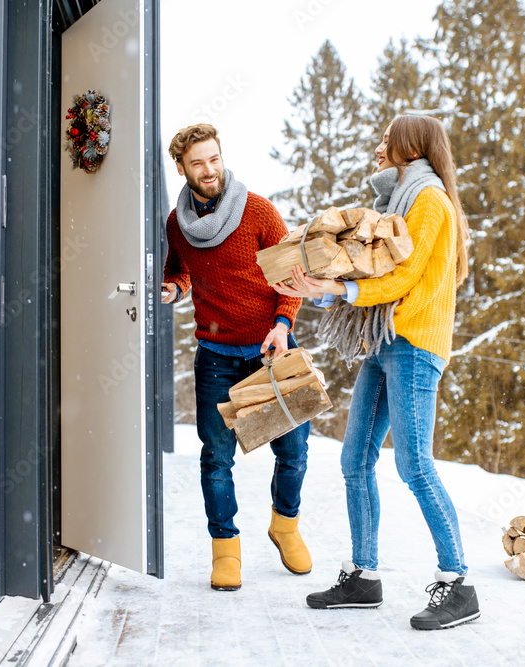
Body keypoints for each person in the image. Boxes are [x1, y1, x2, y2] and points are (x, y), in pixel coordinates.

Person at [274, 115, 480, 629]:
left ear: (411, 146)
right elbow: (374, 267)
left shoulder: (430, 201)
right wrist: (321, 286)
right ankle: (364, 576)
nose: (378, 147)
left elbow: (405, 274)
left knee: (414, 465)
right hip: (385, 341)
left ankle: (459, 584)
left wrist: (338, 291)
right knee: (355, 460)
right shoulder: (398, 201)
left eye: (386, 140)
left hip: (413, 344)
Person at [162, 123, 312, 591]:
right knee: (216, 457)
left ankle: (284, 525)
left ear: (221, 157)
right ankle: (225, 548)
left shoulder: (259, 211)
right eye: (197, 163)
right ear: (183, 169)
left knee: (293, 452)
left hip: (271, 351)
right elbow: (181, 270)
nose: (209, 170)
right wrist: (173, 288)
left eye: (213, 159)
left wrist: (282, 325)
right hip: (215, 357)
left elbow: (293, 275)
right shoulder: (177, 224)